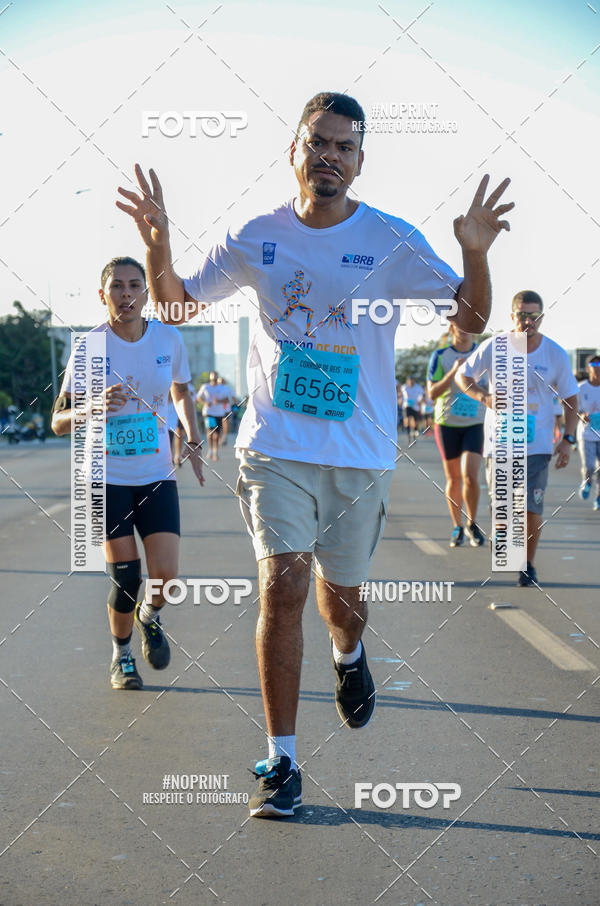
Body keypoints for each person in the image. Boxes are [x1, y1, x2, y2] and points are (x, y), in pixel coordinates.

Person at [116, 91, 513, 816]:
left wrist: (474, 255)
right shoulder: (256, 234)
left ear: (359, 163)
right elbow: (175, 309)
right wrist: (157, 246)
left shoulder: (391, 240)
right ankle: (284, 762)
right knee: (284, 588)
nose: (329, 156)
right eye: (317, 143)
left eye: (344, 147)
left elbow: (469, 323)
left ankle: (350, 656)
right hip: (275, 448)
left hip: (359, 454)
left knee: (344, 603)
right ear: (293, 151)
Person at [51, 257, 204, 689]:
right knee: (126, 578)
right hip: (105, 475)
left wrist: (192, 433)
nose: (125, 293)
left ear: (146, 294)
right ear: (103, 296)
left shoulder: (168, 339)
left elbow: (181, 388)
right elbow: (58, 422)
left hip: (155, 473)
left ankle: (149, 616)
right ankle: (121, 657)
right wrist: (93, 406)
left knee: (166, 578)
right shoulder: (89, 348)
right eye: (116, 286)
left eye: (135, 285)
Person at [457, 290, 578, 586]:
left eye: (534, 316)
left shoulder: (554, 354)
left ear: (541, 318)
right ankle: (503, 536)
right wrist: (483, 396)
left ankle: (527, 564)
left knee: (530, 507)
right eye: (522, 315)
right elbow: (464, 376)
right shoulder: (494, 347)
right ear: (512, 317)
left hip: (536, 446)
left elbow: (571, 399)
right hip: (499, 442)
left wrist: (568, 439)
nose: (528, 322)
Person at [427, 322, 486, 547]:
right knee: (454, 478)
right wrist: (454, 372)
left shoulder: (482, 353)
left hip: (476, 422)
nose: (465, 328)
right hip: (447, 423)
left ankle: (472, 523)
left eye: (468, 323)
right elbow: (432, 392)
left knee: (470, 475)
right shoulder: (441, 355)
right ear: (452, 328)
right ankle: (457, 526)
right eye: (459, 324)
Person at [577, 352, 600, 510]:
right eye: (593, 365)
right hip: (587, 434)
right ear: (588, 368)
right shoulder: (581, 387)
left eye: (599, 365)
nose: (597, 368)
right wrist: (582, 415)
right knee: (590, 466)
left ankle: (598, 497)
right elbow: (574, 409)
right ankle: (587, 483)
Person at [197, 371, 225, 461]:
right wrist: (205, 402)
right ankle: (210, 450)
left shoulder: (222, 388)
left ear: (217, 378)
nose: (214, 380)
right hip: (208, 413)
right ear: (210, 378)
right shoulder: (205, 387)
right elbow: (198, 397)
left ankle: (215, 451)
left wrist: (219, 401)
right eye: (212, 379)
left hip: (219, 413)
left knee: (217, 434)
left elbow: (227, 400)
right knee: (210, 431)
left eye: (215, 379)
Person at [400, 375, 424, 441]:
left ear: (413, 380)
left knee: (414, 422)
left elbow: (422, 394)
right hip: (406, 405)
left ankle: (414, 431)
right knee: (407, 420)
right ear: (407, 381)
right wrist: (400, 399)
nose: (410, 381)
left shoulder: (418, 387)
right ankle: (408, 435)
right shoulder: (404, 387)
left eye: (412, 380)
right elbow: (400, 394)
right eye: (409, 380)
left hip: (415, 406)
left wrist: (420, 400)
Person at [217, 376, 235, 445]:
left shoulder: (227, 388)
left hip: (224, 409)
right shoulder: (227, 388)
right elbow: (233, 398)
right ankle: (222, 438)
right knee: (222, 424)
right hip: (219, 409)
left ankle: (223, 438)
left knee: (223, 423)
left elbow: (232, 398)